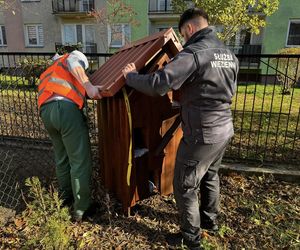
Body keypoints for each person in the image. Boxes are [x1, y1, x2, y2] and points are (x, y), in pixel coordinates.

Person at [122, 7, 238, 250]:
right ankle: (210, 222)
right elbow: (214, 89)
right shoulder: (229, 54)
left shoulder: (194, 53)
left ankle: (191, 239)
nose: (184, 40)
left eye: (184, 35)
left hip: (202, 133)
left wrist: (131, 77)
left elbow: (159, 84)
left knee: (185, 184)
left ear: (189, 28)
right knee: (210, 175)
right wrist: (187, 99)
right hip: (224, 128)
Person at [38, 50, 102, 222]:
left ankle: (65, 198)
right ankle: (82, 208)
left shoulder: (50, 70)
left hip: (46, 112)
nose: (84, 70)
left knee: (62, 158)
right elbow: (75, 64)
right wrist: (88, 86)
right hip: (65, 110)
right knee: (79, 160)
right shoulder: (72, 58)